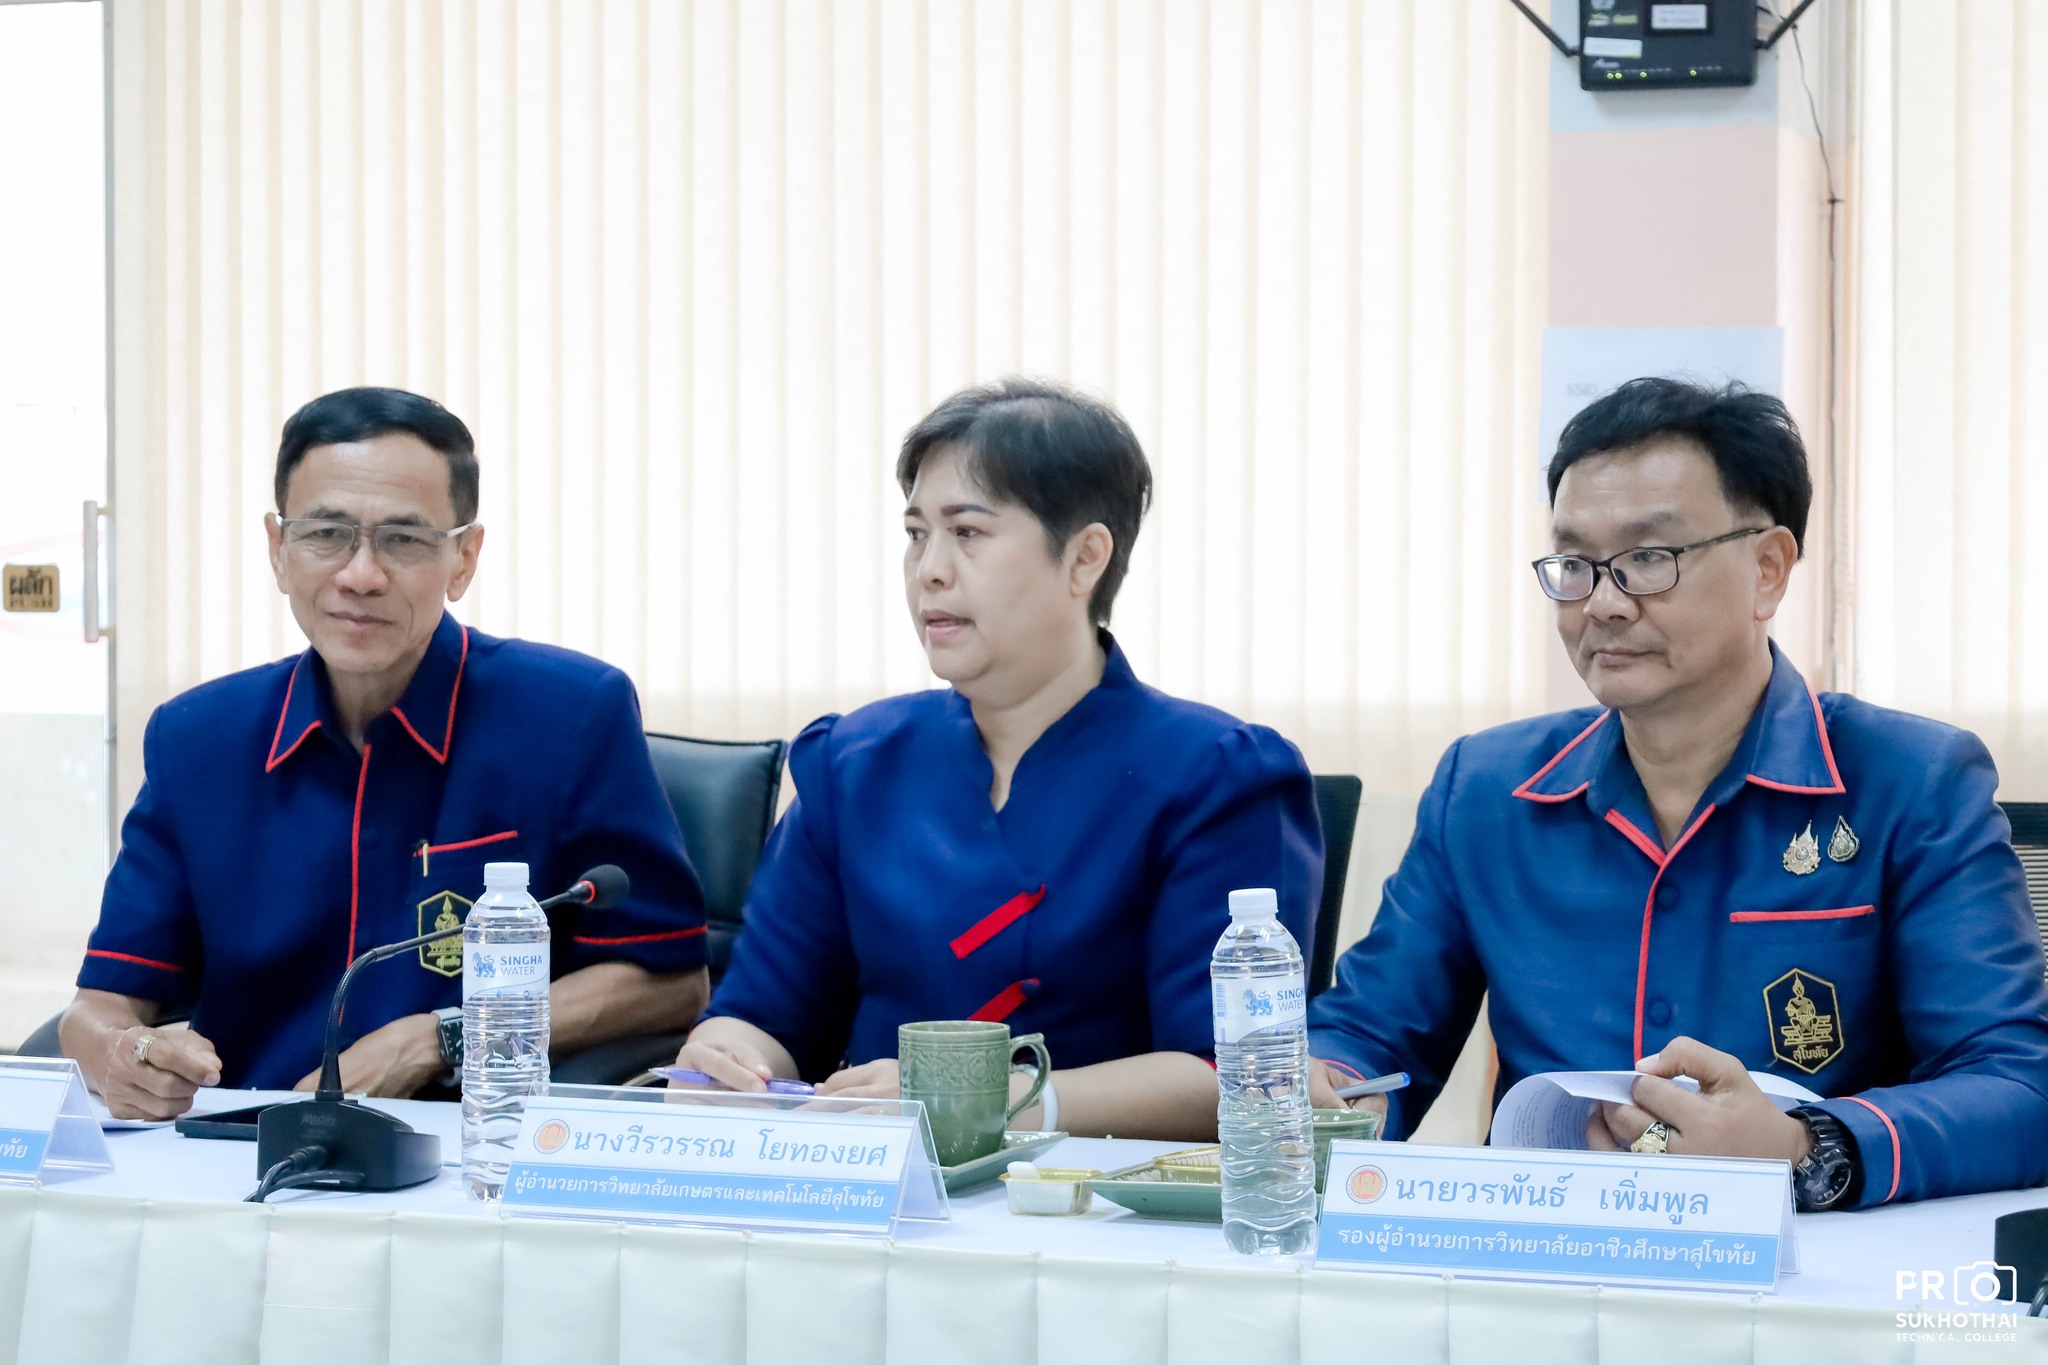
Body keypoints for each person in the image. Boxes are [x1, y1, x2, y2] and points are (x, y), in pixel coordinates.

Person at [1306, 377, 2048, 1209]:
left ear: (1768, 570)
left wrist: (1804, 1145)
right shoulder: (1484, 789)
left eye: (1648, 560)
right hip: (1540, 1246)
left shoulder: (1911, 781)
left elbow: (2021, 1088)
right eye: (1576, 565)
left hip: (1810, 1260)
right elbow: (1368, 1033)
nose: (1604, 604)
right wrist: (1331, 1088)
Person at [673, 377, 1324, 1140]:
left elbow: (1235, 1073)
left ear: (1084, 558)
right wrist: (728, 1062)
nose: (929, 569)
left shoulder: (1217, 775)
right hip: (872, 1186)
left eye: (968, 532)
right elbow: (762, 1013)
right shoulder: (853, 764)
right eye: (916, 533)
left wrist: (992, 1100)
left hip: (1103, 1192)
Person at [63, 387, 711, 1119]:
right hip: (241, 1143)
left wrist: (440, 1036)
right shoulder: (197, 739)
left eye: (404, 540)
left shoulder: (569, 714)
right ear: (278, 549)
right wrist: (125, 1054)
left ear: (463, 557)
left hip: (471, 1143)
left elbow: (669, 979)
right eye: (326, 534)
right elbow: (97, 1006)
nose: (360, 575)